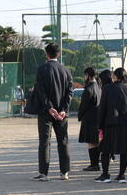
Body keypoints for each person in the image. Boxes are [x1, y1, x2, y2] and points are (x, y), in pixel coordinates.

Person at [32, 43, 73, 182]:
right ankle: (64, 172)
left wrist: (50, 107)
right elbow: (69, 92)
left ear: (46, 54)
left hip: (46, 112)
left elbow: (41, 91)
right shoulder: (66, 70)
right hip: (62, 113)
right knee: (63, 141)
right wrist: (63, 110)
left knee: (44, 141)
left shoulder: (41, 69)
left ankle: (44, 173)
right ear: (59, 54)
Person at [95, 68, 127, 183]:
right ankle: (121, 175)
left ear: (115, 76)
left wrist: (100, 125)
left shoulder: (107, 88)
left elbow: (102, 108)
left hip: (110, 123)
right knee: (124, 151)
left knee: (105, 150)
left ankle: (105, 174)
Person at [78, 67, 101, 172]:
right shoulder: (99, 87)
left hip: (89, 119)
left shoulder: (88, 89)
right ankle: (96, 163)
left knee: (91, 143)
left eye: (85, 75)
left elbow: (83, 106)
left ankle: (94, 164)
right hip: (98, 118)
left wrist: (80, 116)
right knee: (96, 142)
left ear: (88, 75)